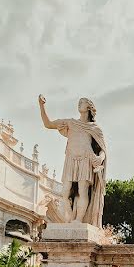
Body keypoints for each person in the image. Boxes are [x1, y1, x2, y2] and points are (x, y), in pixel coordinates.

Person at [38, 95, 107, 226]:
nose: (79, 104)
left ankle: (78, 220)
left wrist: (100, 158)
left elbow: (103, 149)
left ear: (89, 107)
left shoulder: (95, 128)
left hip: (86, 159)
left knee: (82, 190)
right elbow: (48, 124)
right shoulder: (70, 122)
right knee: (65, 191)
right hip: (71, 158)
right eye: (79, 102)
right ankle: (69, 216)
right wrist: (42, 106)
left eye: (82, 102)